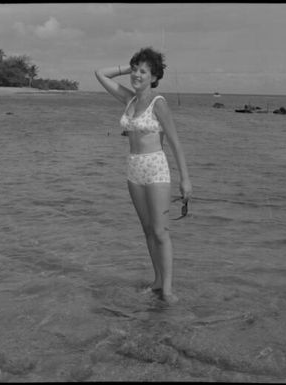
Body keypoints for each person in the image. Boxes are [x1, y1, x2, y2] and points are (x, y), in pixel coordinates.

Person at [95, 47, 192, 303]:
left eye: (143, 71)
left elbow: (174, 141)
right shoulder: (129, 99)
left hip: (156, 168)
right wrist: (130, 66)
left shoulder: (158, 103)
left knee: (161, 231)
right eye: (135, 70)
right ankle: (157, 281)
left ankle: (168, 290)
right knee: (148, 230)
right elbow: (100, 74)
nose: (137, 75)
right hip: (134, 169)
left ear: (154, 76)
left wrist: (185, 178)